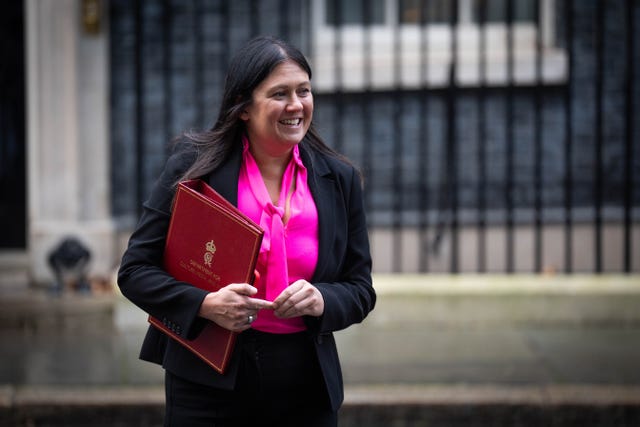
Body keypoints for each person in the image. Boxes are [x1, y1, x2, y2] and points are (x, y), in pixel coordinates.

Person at [118, 35, 375, 426]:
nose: (296, 105)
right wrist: (206, 305)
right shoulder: (195, 169)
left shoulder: (338, 179)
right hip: (209, 383)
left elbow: (360, 289)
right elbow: (135, 272)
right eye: (279, 94)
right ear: (243, 108)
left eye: (303, 91)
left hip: (304, 381)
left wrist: (322, 299)